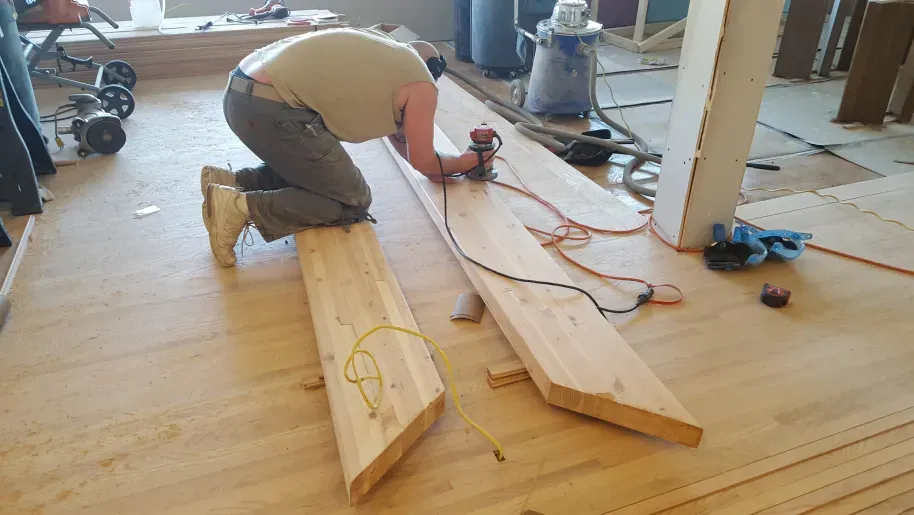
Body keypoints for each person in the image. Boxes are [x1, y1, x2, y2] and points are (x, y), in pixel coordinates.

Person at [201, 28, 493, 267]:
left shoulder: (382, 46)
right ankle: (239, 208)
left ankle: (235, 182)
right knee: (351, 199)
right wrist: (465, 162)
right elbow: (423, 160)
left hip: (240, 94)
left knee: (317, 172)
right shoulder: (422, 84)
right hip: (268, 110)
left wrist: (431, 164)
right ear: (432, 71)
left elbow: (404, 141)